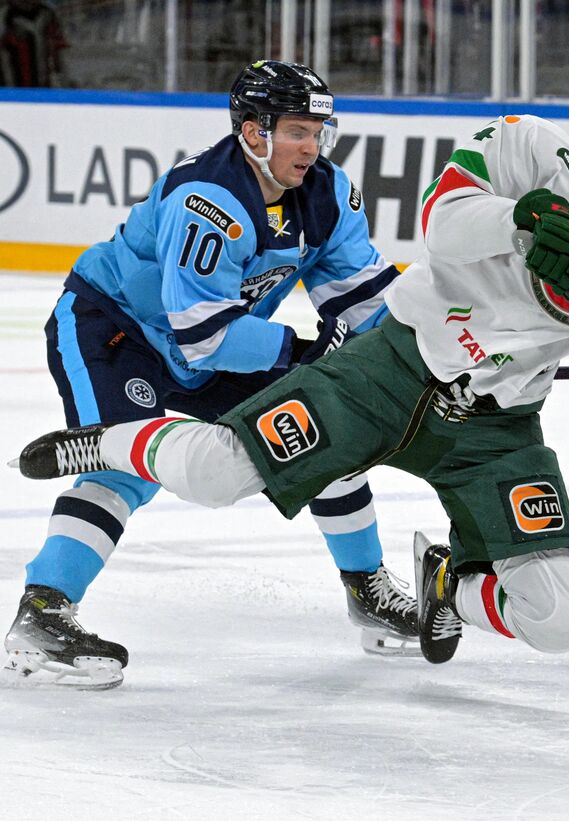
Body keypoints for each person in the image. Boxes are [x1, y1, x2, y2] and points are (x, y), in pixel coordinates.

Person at [14, 101, 569, 666]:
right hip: (394, 366)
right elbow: (442, 219)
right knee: (217, 473)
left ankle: (445, 586)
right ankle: (109, 444)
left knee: (561, 617)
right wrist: (521, 220)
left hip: (495, 426)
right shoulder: (534, 148)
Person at [3, 60, 417, 690]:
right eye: (297, 131)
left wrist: (420, 353)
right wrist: (307, 354)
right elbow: (205, 335)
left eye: (317, 132)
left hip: (210, 345)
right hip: (115, 330)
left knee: (326, 426)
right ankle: (42, 615)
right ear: (253, 132)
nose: (312, 147)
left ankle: (369, 592)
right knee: (123, 470)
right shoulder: (210, 199)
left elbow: (366, 303)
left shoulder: (328, 194)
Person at [0, 0, 67, 87]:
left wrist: (62, 76)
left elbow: (58, 48)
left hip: (42, 83)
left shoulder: (47, 13)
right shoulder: (4, 14)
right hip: (11, 85)